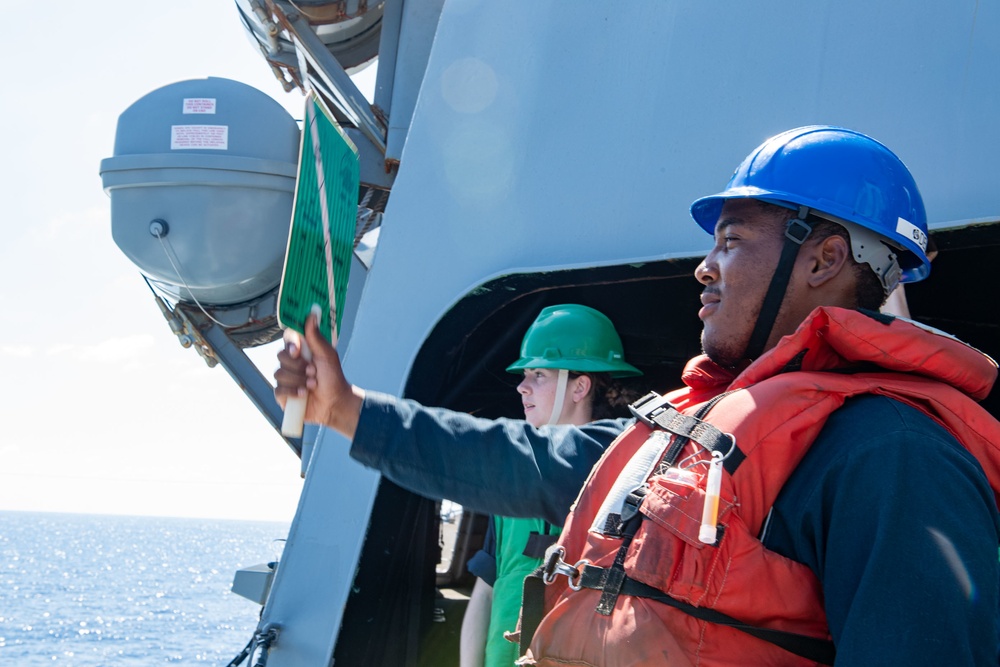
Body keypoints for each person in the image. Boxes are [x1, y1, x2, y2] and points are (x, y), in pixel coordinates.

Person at [275, 126, 1000, 666]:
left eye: (732, 241)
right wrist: (344, 409)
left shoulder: (893, 456)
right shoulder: (686, 434)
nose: (704, 269)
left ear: (824, 258)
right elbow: (514, 462)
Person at [459, 304, 642, 667]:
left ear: (580, 387)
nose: (521, 387)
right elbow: (487, 586)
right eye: (525, 375)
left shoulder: (626, 482)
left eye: (538, 375)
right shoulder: (512, 480)